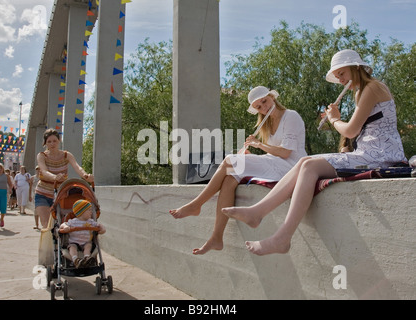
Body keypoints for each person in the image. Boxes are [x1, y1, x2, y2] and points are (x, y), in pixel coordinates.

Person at [222, 49, 407, 256]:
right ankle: (258, 212)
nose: (340, 80)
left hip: (383, 157)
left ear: (356, 68)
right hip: (368, 153)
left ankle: (281, 237)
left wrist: (335, 119)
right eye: (337, 77)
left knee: (309, 165)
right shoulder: (360, 92)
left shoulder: (372, 87)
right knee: (305, 162)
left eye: (342, 74)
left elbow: (352, 129)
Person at [169, 87, 307, 255]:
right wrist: (250, 156)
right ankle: (216, 237)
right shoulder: (268, 123)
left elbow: (286, 152)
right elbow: (274, 153)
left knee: (229, 161)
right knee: (230, 179)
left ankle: (196, 204)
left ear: (272, 97)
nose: (263, 107)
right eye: (258, 107)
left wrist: (259, 145)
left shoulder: (290, 116)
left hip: (292, 166)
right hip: (277, 164)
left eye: (264, 101)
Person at [35, 129, 94, 228]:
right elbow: (44, 171)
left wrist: (85, 176)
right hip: (43, 193)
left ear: (59, 141)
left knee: (62, 224)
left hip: (61, 194)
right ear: (45, 143)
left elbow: (77, 167)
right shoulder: (42, 156)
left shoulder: (66, 155)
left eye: (54, 141)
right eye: (49, 141)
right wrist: (55, 177)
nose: (52, 144)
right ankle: (48, 242)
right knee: (46, 225)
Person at [59, 199, 106, 268]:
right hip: (74, 242)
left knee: (88, 246)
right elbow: (63, 224)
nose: (91, 212)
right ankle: (75, 260)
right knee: (72, 248)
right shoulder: (73, 222)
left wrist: (102, 229)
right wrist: (65, 227)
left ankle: (87, 258)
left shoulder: (90, 221)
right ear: (81, 212)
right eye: (89, 210)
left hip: (86, 242)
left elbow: (98, 225)